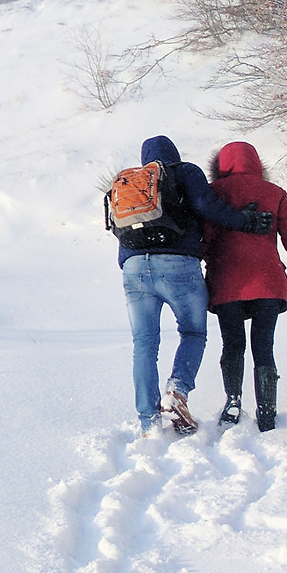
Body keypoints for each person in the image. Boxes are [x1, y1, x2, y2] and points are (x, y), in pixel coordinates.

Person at [107, 134, 270, 435]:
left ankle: (148, 421)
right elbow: (208, 207)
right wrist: (245, 221)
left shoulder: (129, 183)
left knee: (144, 343)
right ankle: (177, 391)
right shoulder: (185, 172)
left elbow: (117, 228)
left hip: (133, 269)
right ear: (175, 153)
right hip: (179, 264)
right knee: (193, 332)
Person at [201, 141, 287, 431]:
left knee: (233, 344)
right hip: (268, 284)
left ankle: (233, 401)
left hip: (227, 285)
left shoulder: (213, 195)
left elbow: (203, 242)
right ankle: (267, 411)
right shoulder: (276, 194)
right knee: (264, 346)